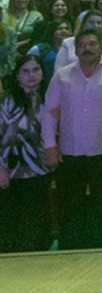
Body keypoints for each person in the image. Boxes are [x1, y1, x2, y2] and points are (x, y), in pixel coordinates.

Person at [41, 28, 102, 248]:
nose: (87, 48)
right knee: (71, 206)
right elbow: (50, 113)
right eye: (82, 45)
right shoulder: (62, 76)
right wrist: (50, 145)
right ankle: (72, 251)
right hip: (69, 152)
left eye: (92, 44)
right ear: (75, 49)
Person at [0, 53, 53, 252]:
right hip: (10, 170)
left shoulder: (50, 97)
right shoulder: (6, 101)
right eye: (25, 71)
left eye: (36, 70)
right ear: (17, 75)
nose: (31, 75)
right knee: (11, 221)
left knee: (37, 219)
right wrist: (1, 167)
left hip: (40, 167)